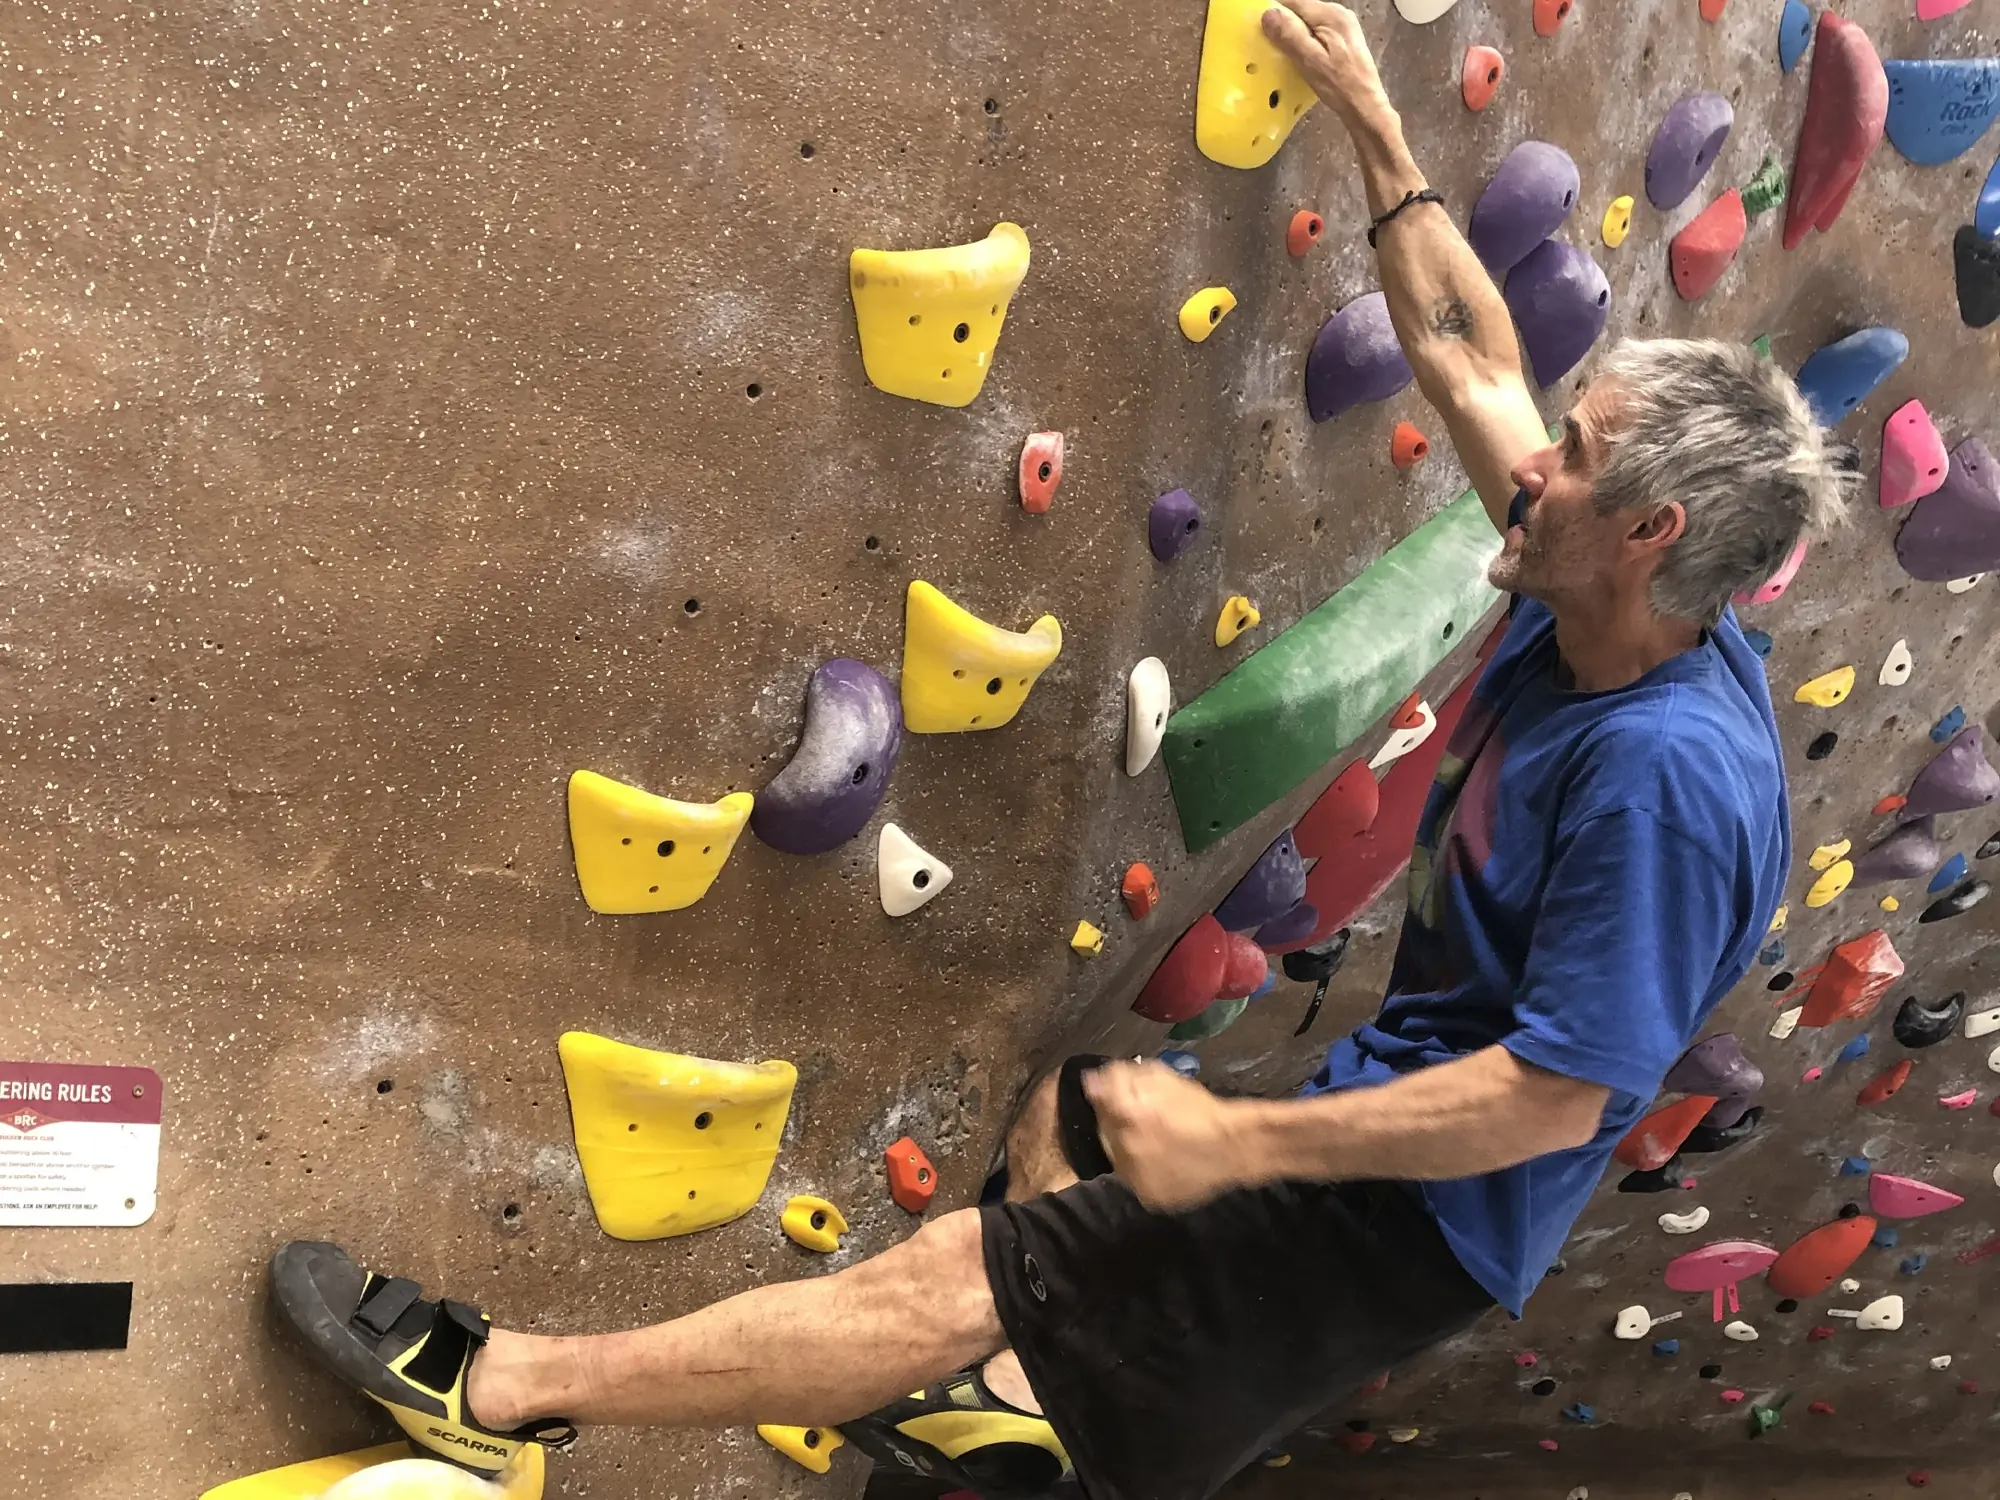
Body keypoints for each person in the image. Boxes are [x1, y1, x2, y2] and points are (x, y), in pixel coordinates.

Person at [265, 4, 1853, 1498]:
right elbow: (1475, 353)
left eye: (1572, 463)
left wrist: (1243, 1142)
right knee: (1069, 1122)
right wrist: (1379, 125)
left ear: (1650, 531)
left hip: (1425, 1211)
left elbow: (1556, 1100)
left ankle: (492, 1394)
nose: (1533, 465)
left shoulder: (1666, 783)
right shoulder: (1593, 583)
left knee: (969, 1272)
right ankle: (1014, 1432)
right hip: (1399, 1133)